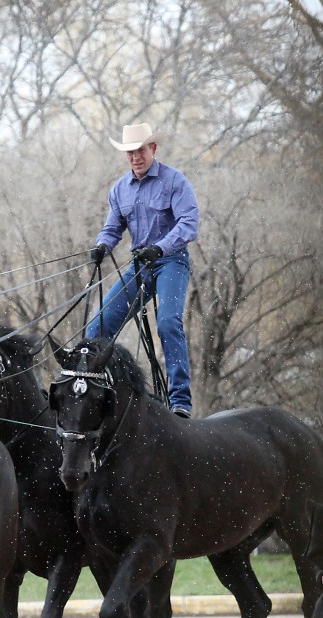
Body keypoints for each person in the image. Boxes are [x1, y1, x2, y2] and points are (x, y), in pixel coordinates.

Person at [87, 122, 199, 417]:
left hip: (171, 261)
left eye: (141, 150)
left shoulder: (174, 181)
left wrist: (161, 247)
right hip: (141, 265)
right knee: (97, 328)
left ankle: (180, 401)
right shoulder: (120, 189)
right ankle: (101, 394)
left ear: (153, 149)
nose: (136, 157)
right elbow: (112, 228)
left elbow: (189, 224)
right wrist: (102, 246)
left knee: (168, 323)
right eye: (130, 152)